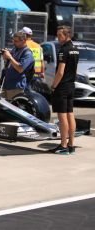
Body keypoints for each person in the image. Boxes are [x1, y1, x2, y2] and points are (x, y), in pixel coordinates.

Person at [49, 26, 79, 155]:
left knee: (62, 118)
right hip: (71, 86)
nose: (57, 37)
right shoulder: (75, 49)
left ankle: (63, 145)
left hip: (62, 87)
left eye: (59, 35)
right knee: (70, 114)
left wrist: (54, 86)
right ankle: (71, 145)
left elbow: (60, 72)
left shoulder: (64, 50)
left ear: (66, 36)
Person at [0, 32, 35, 100]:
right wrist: (5, 56)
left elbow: (20, 68)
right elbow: (10, 62)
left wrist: (9, 57)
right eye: (13, 40)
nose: (14, 43)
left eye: (16, 41)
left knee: (13, 108)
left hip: (16, 87)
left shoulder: (27, 53)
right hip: (7, 85)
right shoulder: (15, 49)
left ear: (24, 41)